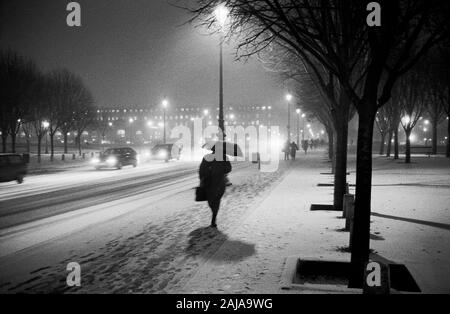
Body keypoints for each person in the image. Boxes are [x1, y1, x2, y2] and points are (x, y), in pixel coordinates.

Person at [199, 147, 232, 228]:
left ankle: (213, 218)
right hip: (219, 183)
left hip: (211, 183)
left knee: (212, 201)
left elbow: (201, 170)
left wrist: (202, 178)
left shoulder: (207, 157)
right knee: (216, 201)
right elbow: (228, 169)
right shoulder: (223, 157)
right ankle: (214, 215)